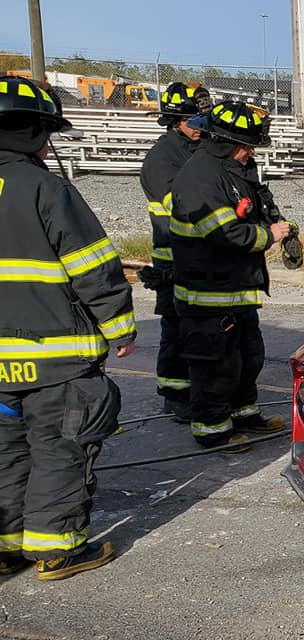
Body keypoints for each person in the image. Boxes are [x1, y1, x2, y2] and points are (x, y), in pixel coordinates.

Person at [0, 76, 134, 580]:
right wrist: (119, 327)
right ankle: (57, 550)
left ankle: (6, 544)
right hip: (54, 359)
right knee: (60, 446)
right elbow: (91, 264)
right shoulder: (46, 188)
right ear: (36, 133)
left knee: (5, 451)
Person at [168, 100, 291, 452]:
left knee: (248, 356)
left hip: (235, 290)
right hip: (207, 294)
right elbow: (226, 235)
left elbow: (249, 211)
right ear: (225, 142)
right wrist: (272, 235)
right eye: (246, 146)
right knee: (215, 365)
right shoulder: (201, 178)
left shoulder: (231, 171)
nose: (249, 153)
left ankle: (243, 413)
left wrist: (271, 219)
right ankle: (212, 429)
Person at [138, 82, 211, 422]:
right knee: (175, 329)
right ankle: (174, 393)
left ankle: (196, 388)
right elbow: (180, 202)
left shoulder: (199, 149)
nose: (200, 126)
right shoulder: (162, 157)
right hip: (172, 257)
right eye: (194, 120)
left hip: (200, 255)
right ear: (175, 120)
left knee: (197, 329)